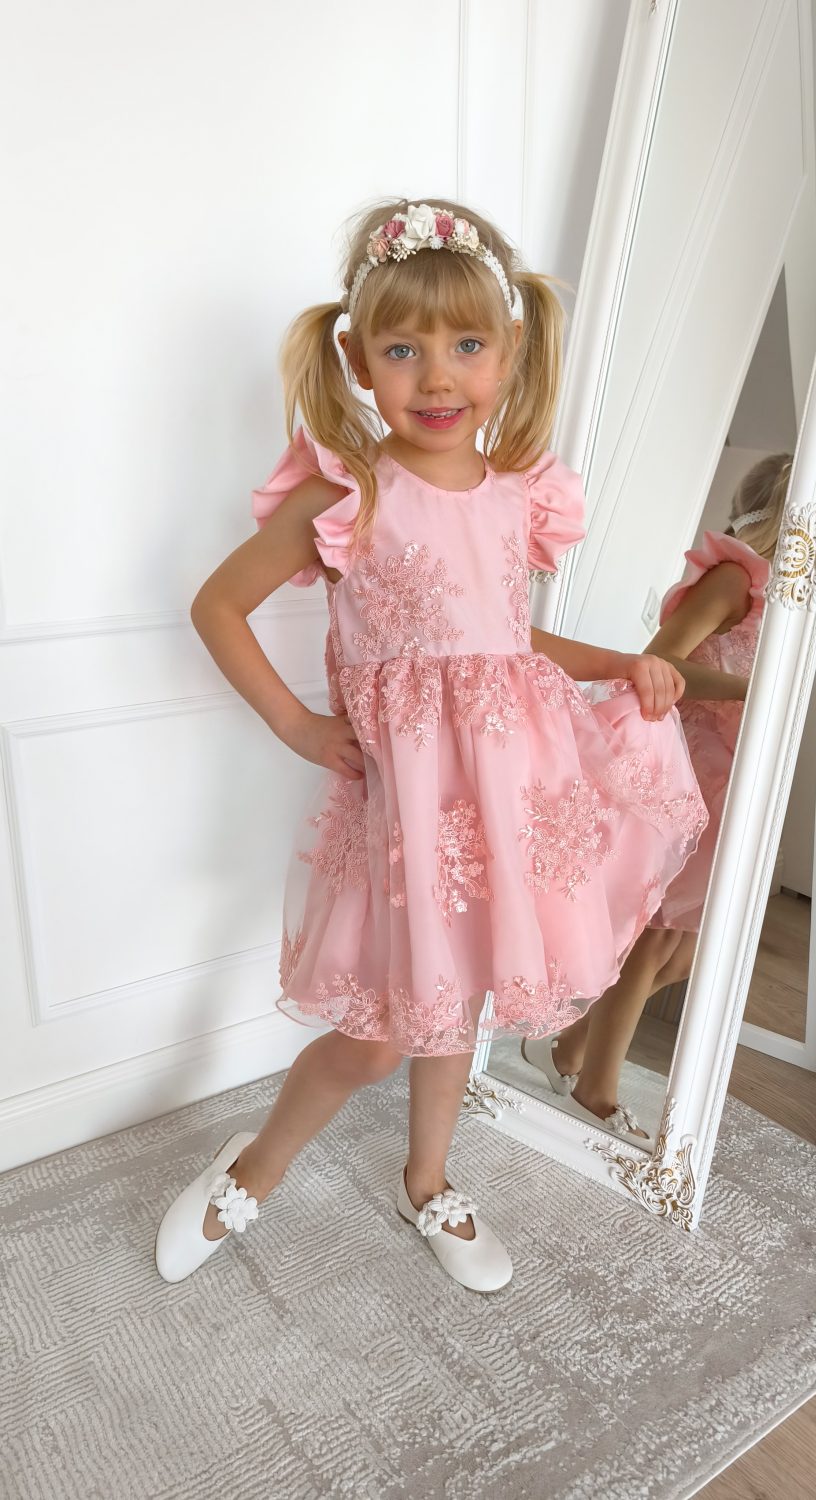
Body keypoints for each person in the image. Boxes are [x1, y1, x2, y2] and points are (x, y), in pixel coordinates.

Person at [155, 198, 708, 1295]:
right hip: (405, 810)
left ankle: (428, 1180)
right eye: (403, 350)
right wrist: (296, 724)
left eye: (466, 345)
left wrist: (621, 663)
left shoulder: (519, 496)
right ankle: (255, 1164)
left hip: (504, 796)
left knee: (461, 1003)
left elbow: (502, 641)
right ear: (357, 359)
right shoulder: (349, 489)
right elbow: (218, 605)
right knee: (375, 1034)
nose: (437, 376)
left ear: (511, 351)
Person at [523, 453, 793, 1143]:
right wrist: (755, 693)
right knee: (658, 936)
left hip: (736, 772)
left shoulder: (780, 596)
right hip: (697, 765)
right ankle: (596, 1090)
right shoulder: (734, 578)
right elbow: (660, 660)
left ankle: (567, 1048)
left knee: (681, 953)